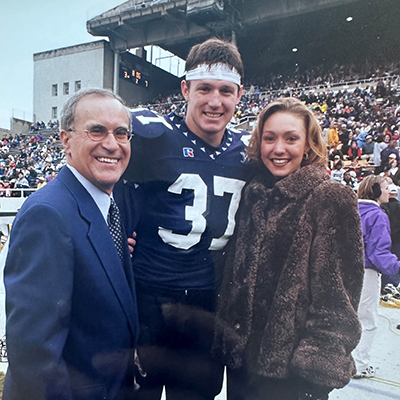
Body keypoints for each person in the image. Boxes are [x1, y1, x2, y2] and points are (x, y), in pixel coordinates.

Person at [120, 38, 251, 400]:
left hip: (207, 304)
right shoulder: (153, 135)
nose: (215, 100)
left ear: (239, 94)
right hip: (148, 296)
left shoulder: (249, 150)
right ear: (185, 89)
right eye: (204, 88)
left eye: (226, 90)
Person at [213, 98, 364, 400]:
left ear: (308, 144)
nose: (278, 149)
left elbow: (339, 296)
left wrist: (315, 376)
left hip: (293, 377)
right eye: (269, 138)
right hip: (243, 368)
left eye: (291, 138)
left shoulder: (330, 198)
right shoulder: (254, 195)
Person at [3, 88, 139, 400]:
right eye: (96, 130)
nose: (112, 144)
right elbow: (34, 356)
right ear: (66, 140)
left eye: (121, 133)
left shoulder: (106, 208)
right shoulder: (47, 214)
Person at [352, 175, 400, 379]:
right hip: (366, 273)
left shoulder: (350, 211)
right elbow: (378, 253)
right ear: (375, 191)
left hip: (343, 270)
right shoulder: (378, 215)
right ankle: (359, 365)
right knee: (367, 319)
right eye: (386, 187)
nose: (390, 191)